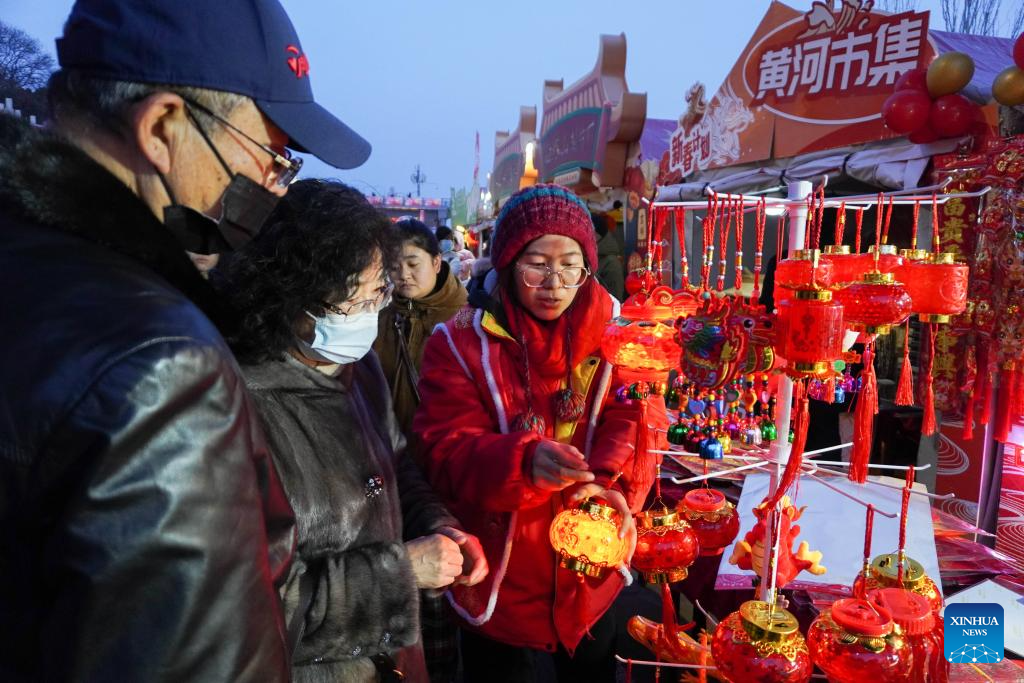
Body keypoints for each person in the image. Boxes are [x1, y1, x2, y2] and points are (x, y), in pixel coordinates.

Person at [0, 1, 372, 679]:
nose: (276, 188)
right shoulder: (162, 365)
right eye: (274, 158)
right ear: (163, 127)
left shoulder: (32, 264)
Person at [216, 180, 488, 683]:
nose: (367, 314)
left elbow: (394, 469)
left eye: (377, 293)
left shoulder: (358, 370)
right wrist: (401, 573)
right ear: (287, 298)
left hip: (394, 662)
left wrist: (439, 526)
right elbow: (246, 605)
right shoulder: (236, 406)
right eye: (348, 302)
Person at [413, 184, 665, 682]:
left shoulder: (619, 334)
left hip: (590, 574)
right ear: (508, 264)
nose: (555, 283)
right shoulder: (460, 341)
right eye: (537, 265)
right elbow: (443, 447)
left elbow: (638, 415)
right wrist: (521, 462)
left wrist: (609, 482)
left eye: (571, 266)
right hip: (502, 583)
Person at [376, 219, 468, 437]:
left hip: (445, 449)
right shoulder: (380, 321)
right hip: (389, 449)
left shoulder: (467, 320)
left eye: (413, 264)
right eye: (394, 267)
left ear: (436, 263)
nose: (403, 275)